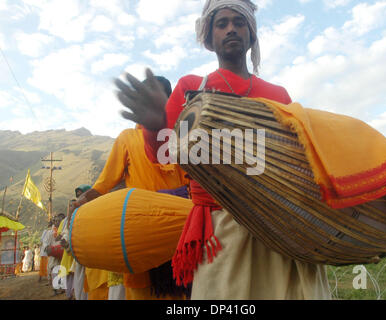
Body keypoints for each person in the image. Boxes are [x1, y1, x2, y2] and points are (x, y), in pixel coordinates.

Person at [115, 0, 331, 299]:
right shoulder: (190, 88)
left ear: (250, 34)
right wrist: (155, 128)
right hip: (220, 227)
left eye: (239, 22)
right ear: (209, 36)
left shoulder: (278, 95)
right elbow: (167, 155)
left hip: (280, 223)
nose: (231, 28)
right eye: (222, 23)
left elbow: (296, 157)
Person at [72, 77, 190, 301]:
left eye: (161, 99)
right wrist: (81, 203)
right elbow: (104, 184)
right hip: (140, 238)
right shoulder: (128, 138)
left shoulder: (180, 139)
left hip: (176, 237)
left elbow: (191, 184)